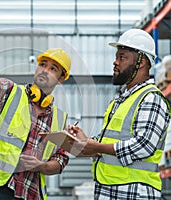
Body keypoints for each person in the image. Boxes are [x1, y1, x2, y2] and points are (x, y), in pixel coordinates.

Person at [0, 27, 71, 200]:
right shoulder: (11, 93)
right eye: (43, 65)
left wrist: (41, 166)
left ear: (60, 79)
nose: (45, 70)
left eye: (53, 69)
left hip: (30, 192)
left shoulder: (60, 121)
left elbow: (60, 161)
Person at [69, 28, 171, 199]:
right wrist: (86, 140)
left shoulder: (151, 98)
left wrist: (98, 147)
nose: (115, 62)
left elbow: (143, 145)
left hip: (134, 192)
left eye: (122, 57)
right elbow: (112, 142)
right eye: (116, 57)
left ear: (142, 62)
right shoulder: (120, 101)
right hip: (110, 189)